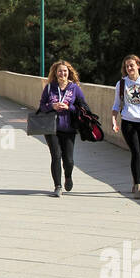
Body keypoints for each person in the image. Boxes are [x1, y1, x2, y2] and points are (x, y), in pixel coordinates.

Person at [110, 54, 140, 199]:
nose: (129, 68)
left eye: (131, 65)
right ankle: (137, 184)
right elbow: (116, 105)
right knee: (136, 152)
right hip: (128, 122)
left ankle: (136, 179)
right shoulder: (122, 84)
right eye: (127, 66)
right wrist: (114, 120)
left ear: (138, 65)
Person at [37, 60, 88, 196]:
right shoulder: (49, 88)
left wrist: (69, 107)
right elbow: (41, 106)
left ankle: (68, 176)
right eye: (59, 71)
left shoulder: (75, 88)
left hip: (69, 128)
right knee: (56, 155)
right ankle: (57, 186)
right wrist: (51, 106)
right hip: (51, 128)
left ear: (69, 72)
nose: (62, 73)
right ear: (55, 73)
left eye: (65, 71)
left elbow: (83, 108)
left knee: (69, 160)